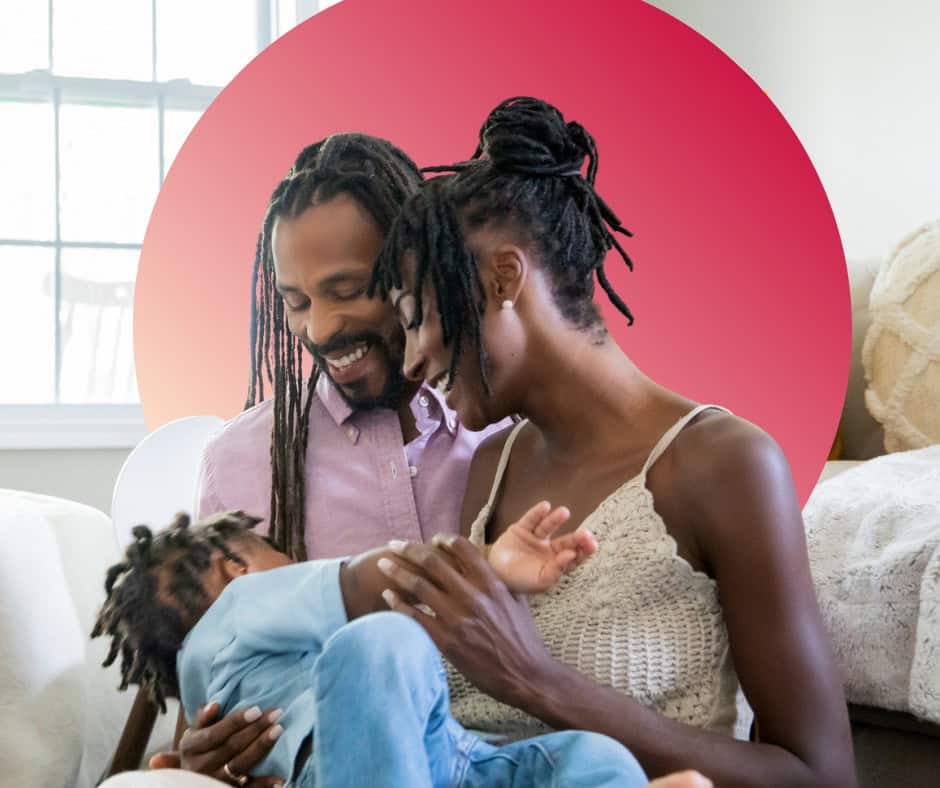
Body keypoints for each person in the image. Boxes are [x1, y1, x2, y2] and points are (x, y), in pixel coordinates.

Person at [370, 96, 858, 786]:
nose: (412, 361)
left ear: (502, 279)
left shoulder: (722, 463)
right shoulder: (487, 469)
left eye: (417, 318)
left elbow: (821, 777)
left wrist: (537, 681)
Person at [139, 134, 505, 783]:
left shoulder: (503, 430)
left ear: (415, 271)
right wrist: (203, 753)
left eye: (349, 289)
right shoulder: (243, 460)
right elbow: (213, 677)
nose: (320, 329)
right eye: (297, 300)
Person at [95, 508, 642, 788]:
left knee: (595, 759)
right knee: (378, 642)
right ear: (234, 568)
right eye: (277, 552)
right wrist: (488, 559)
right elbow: (359, 582)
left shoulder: (209, 689)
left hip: (446, 759)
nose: (297, 565)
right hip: (346, 768)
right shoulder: (242, 605)